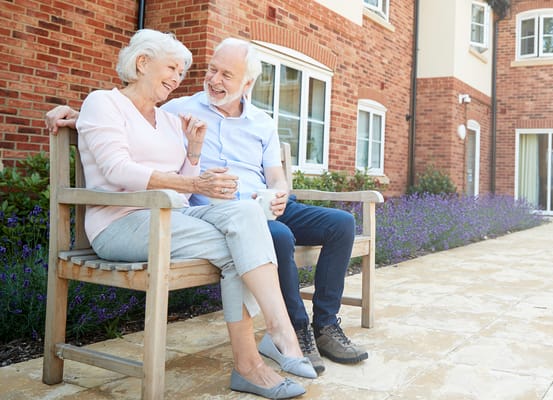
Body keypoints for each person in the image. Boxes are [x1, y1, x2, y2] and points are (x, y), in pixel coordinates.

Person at [46, 38, 369, 374]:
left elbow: (275, 174)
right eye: (211, 70)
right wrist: (78, 115)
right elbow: (127, 116)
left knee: (341, 223)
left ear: (247, 83)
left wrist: (280, 192)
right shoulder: (179, 108)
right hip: (210, 211)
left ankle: (325, 326)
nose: (214, 80)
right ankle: (294, 331)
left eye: (226, 75)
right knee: (276, 236)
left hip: (260, 204)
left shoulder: (259, 121)